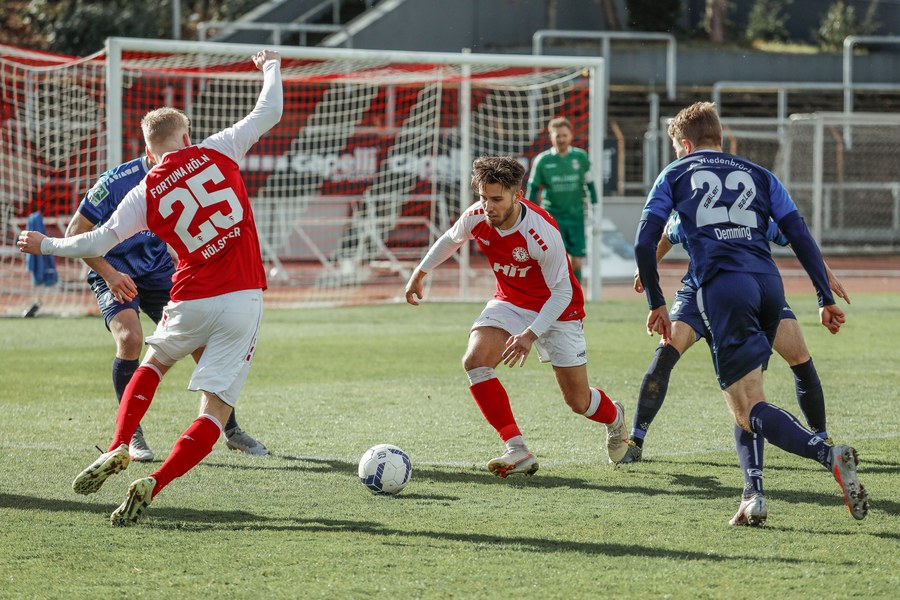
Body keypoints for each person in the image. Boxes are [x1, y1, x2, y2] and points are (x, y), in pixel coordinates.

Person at [18, 49, 283, 526]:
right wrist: (270, 67)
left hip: (189, 295)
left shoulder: (145, 191)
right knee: (213, 408)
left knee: (154, 363)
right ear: (186, 136)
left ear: (149, 150)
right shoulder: (219, 149)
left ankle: (121, 442)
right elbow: (269, 111)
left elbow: (96, 239)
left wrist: (47, 244)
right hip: (241, 297)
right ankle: (155, 482)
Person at [634, 101, 868, 526]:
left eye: (676, 148)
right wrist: (823, 296)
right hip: (768, 287)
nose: (676, 154)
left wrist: (655, 301)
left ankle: (827, 453)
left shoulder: (676, 173)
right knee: (750, 391)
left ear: (685, 145)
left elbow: (645, 240)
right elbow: (798, 233)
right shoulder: (759, 174)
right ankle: (752, 496)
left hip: (724, 289)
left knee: (746, 407)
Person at [405, 155, 628, 477]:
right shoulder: (476, 216)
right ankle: (516, 448)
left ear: (517, 196)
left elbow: (562, 293)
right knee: (475, 361)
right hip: (511, 302)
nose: (488, 206)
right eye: (483, 197)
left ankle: (615, 418)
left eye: (497, 199)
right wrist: (420, 272)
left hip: (559, 310)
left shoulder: (541, 232)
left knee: (578, 402)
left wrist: (530, 335)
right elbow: (452, 238)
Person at [67, 155, 268, 461]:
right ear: (151, 152)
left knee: (201, 342)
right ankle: (130, 436)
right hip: (114, 271)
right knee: (130, 339)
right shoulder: (114, 182)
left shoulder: (185, 172)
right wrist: (109, 274)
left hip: (157, 270)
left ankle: (230, 429)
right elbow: (74, 233)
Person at [622, 212, 850, 463]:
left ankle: (821, 438)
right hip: (697, 294)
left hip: (750, 295)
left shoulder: (750, 210)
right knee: (665, 353)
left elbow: (795, 237)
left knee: (799, 357)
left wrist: (824, 275)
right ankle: (636, 441)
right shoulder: (691, 211)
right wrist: (648, 265)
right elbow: (667, 234)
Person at [526, 117, 598, 284]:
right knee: (557, 261)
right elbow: (533, 189)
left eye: (564, 135)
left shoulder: (581, 157)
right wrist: (529, 215)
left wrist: (596, 211)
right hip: (552, 218)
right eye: (557, 135)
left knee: (577, 262)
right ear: (551, 137)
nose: (561, 139)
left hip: (576, 217)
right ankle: (555, 294)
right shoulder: (542, 160)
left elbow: (591, 185)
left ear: (571, 135)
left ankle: (576, 296)